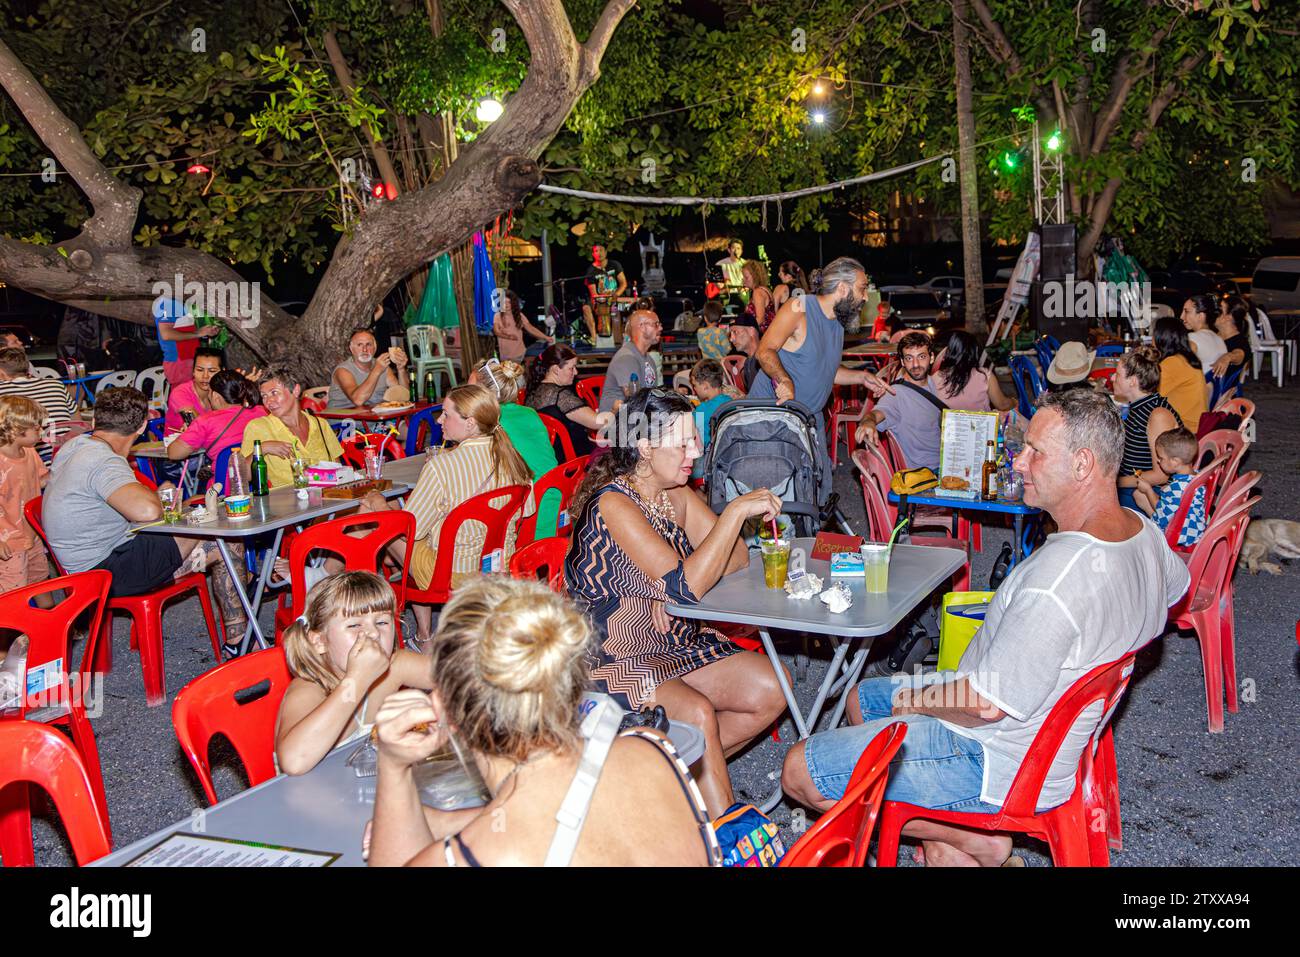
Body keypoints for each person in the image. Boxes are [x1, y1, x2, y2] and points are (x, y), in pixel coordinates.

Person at [783, 389, 1189, 866]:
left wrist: (915, 704)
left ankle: (977, 839)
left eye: (1036, 452)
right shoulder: (1143, 533)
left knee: (799, 772)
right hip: (1037, 724)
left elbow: (982, 704)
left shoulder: (1057, 580)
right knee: (860, 699)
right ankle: (941, 829)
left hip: (994, 755)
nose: (1018, 462)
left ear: (1082, 465)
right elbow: (1174, 590)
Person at [367, 576, 721, 866]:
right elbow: (566, 813)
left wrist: (393, 767)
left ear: (444, 709)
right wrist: (444, 821)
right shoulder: (652, 747)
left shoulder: (474, 856)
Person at [565, 389, 787, 816]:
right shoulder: (613, 503)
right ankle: (721, 830)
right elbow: (686, 587)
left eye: (695, 440)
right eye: (684, 442)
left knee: (773, 687)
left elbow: (737, 559)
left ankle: (668, 779)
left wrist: (674, 584)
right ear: (645, 447)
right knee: (698, 713)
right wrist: (733, 514)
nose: (696, 451)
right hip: (609, 653)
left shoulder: (675, 494)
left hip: (671, 641)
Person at [41, 387, 247, 652]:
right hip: (104, 572)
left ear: (94, 422)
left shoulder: (76, 446)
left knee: (201, 523)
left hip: (82, 564)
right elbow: (148, 512)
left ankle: (240, 628)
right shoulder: (103, 462)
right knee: (224, 537)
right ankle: (239, 642)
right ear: (142, 427)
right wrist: (158, 499)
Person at [357, 384, 534, 645]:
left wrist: (378, 501)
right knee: (407, 518)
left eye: (446, 414)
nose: (439, 421)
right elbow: (527, 511)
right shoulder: (512, 458)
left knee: (377, 514)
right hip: (498, 563)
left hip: (452, 572)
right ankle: (423, 633)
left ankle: (403, 628)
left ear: (471, 424)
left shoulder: (442, 466)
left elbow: (409, 530)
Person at [275, 571, 435, 775]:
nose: (373, 633)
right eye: (354, 625)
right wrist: (356, 680)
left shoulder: (396, 665)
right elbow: (294, 762)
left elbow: (463, 676)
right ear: (320, 641)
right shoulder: (309, 688)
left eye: (382, 622)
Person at [751, 256, 892, 470]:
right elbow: (764, 350)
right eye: (862, 288)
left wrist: (863, 377)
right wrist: (784, 380)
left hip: (809, 419)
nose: (865, 297)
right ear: (843, 288)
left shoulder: (837, 323)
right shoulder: (799, 307)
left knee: (816, 493)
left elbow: (827, 370)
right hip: (773, 416)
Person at [470, 358, 559, 537]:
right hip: (556, 501)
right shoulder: (530, 413)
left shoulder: (492, 421)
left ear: (484, 395)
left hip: (529, 516)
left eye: (471, 391)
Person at [242, 369, 344, 489]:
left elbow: (338, 470)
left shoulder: (321, 425)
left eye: (274, 393)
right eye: (264, 396)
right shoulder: (259, 427)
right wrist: (262, 449)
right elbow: (243, 476)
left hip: (326, 497)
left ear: (295, 391)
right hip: (287, 502)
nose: (268, 401)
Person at [854, 332, 941, 472]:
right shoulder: (895, 394)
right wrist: (868, 422)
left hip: (946, 460)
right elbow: (876, 413)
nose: (916, 364)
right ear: (902, 362)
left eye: (922, 357)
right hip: (926, 473)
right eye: (909, 358)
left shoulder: (933, 383)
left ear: (931, 358)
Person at [1112, 347, 1183, 510]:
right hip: (1137, 484)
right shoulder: (1141, 407)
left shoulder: (1157, 416)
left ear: (1133, 381)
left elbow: (1161, 476)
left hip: (1150, 494)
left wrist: (1114, 482)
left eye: (1117, 375)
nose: (1112, 378)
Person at [165, 370, 266, 482]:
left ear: (216, 396)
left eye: (209, 391)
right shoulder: (262, 412)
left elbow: (173, 453)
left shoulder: (205, 422)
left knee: (191, 499)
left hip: (226, 487)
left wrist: (187, 434)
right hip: (261, 479)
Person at [0, 396, 50, 596]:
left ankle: (50, 624)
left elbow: (42, 480)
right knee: (13, 598)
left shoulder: (29, 451)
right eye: (36, 428)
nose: (42, 431)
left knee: (40, 583)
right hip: (9, 543)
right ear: (15, 431)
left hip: (32, 533)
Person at [0, 347, 78, 465]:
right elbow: (78, 422)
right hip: (72, 454)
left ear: (1, 373)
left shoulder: (2, 393)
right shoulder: (55, 384)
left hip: (36, 461)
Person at [525, 344, 604, 458]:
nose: (576, 372)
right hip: (573, 460)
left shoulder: (533, 391)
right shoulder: (560, 396)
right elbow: (597, 422)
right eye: (571, 368)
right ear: (556, 369)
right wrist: (615, 410)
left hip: (549, 454)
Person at [1133, 428, 1207, 547]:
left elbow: (1161, 511)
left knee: (1140, 500)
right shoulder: (1197, 476)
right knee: (1138, 494)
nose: (1158, 461)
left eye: (1161, 458)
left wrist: (1148, 490)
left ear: (1175, 462)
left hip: (1180, 535)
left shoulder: (1176, 488)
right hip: (1193, 528)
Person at [597, 308, 661, 415]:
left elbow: (650, 396)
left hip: (635, 418)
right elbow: (635, 400)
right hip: (615, 424)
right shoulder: (627, 358)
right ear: (642, 326)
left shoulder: (648, 359)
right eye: (656, 324)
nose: (660, 328)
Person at [934, 330, 1016, 412]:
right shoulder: (984, 375)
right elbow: (1002, 405)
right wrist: (1014, 401)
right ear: (974, 352)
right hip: (980, 424)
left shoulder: (933, 378)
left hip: (946, 424)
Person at [327, 328, 409, 409]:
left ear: (375, 347)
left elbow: (404, 397)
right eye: (359, 345)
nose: (365, 349)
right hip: (344, 420)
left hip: (377, 419)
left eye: (368, 344)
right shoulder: (342, 370)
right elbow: (358, 400)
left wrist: (401, 369)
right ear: (351, 349)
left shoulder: (383, 366)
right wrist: (376, 370)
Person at [1154, 317, 1207, 433]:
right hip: (1195, 424)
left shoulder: (1173, 363)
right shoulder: (1185, 357)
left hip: (1185, 430)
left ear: (1160, 338)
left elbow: (1150, 395)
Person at [153, 298, 219, 388]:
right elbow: (166, 334)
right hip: (179, 363)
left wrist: (206, 331)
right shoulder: (168, 303)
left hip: (189, 360)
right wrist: (199, 333)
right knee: (183, 398)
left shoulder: (180, 301)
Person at [689, 359, 732, 479]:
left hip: (709, 463)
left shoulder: (701, 411)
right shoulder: (731, 402)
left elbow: (695, 445)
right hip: (729, 459)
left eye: (695, 385)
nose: (694, 390)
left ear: (706, 386)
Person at [164, 346, 223, 434]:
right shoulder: (180, 393)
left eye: (212, 371)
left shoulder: (224, 392)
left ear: (223, 372)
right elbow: (195, 424)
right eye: (200, 370)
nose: (205, 376)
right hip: (178, 445)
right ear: (193, 371)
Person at [581, 244, 627, 343]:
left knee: (628, 307)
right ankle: (594, 337)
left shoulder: (615, 265)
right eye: (596, 251)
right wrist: (604, 298)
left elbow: (623, 283)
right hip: (600, 299)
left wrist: (617, 294)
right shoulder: (591, 271)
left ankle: (625, 335)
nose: (600, 253)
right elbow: (593, 293)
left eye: (601, 250)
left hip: (616, 297)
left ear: (606, 252)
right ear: (593, 254)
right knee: (586, 308)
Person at [493, 291, 552, 362]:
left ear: (513, 303)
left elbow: (531, 328)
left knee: (514, 372)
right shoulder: (497, 316)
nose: (507, 305)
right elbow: (496, 331)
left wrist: (545, 337)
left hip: (518, 354)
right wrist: (508, 336)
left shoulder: (519, 315)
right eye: (504, 302)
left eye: (509, 302)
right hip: (504, 356)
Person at [1211, 298, 1254, 378]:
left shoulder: (1239, 342)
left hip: (1221, 388)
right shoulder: (1212, 334)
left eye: (1219, 309)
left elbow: (1239, 354)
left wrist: (1228, 357)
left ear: (1229, 317)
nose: (1214, 312)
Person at [1181, 294, 1227, 368]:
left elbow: (1178, 366)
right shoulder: (1219, 339)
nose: (1181, 317)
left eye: (1187, 311)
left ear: (1201, 316)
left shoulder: (1193, 338)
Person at [726, 314, 762, 391]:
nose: (731, 339)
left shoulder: (764, 359)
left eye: (735, 332)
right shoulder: (748, 363)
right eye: (730, 334)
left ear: (751, 331)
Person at [740, 260, 776, 334]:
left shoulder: (758, 292)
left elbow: (760, 319)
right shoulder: (764, 289)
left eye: (746, 277)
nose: (743, 279)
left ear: (755, 276)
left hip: (763, 335)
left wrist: (744, 330)